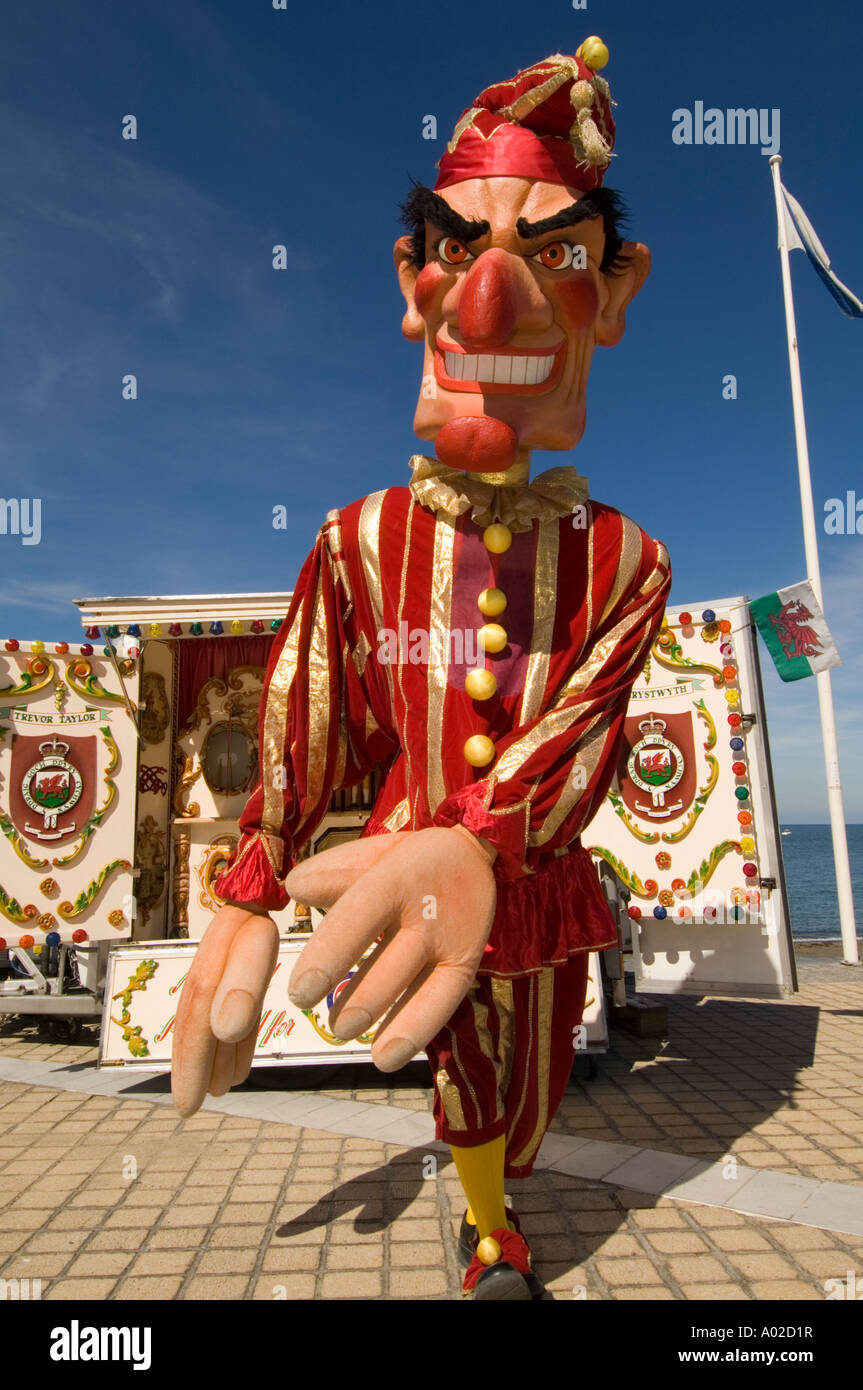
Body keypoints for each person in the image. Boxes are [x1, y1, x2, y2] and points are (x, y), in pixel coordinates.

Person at [171, 40, 671, 1300]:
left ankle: (503, 1178)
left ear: (611, 297)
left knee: (535, 1066)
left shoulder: (625, 561)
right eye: (459, 249)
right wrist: (250, 880)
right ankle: (489, 1227)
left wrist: (492, 837)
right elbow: (308, 715)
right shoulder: (354, 544)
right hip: (404, 850)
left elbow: (584, 730)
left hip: (538, 873)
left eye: (556, 256)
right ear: (415, 280)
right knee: (459, 1066)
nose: (491, 300)